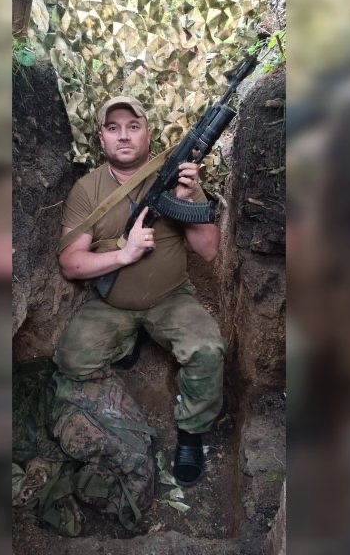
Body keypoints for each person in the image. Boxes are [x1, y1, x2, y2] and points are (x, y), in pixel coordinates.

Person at [55, 95, 226, 486]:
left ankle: (191, 432)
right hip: (111, 302)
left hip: (171, 297)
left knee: (207, 350)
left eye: (133, 127)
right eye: (113, 128)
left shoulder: (177, 178)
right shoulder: (87, 190)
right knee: (71, 359)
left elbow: (209, 251)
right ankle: (128, 341)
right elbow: (70, 262)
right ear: (101, 138)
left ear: (148, 133)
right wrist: (125, 255)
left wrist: (188, 198)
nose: (124, 136)